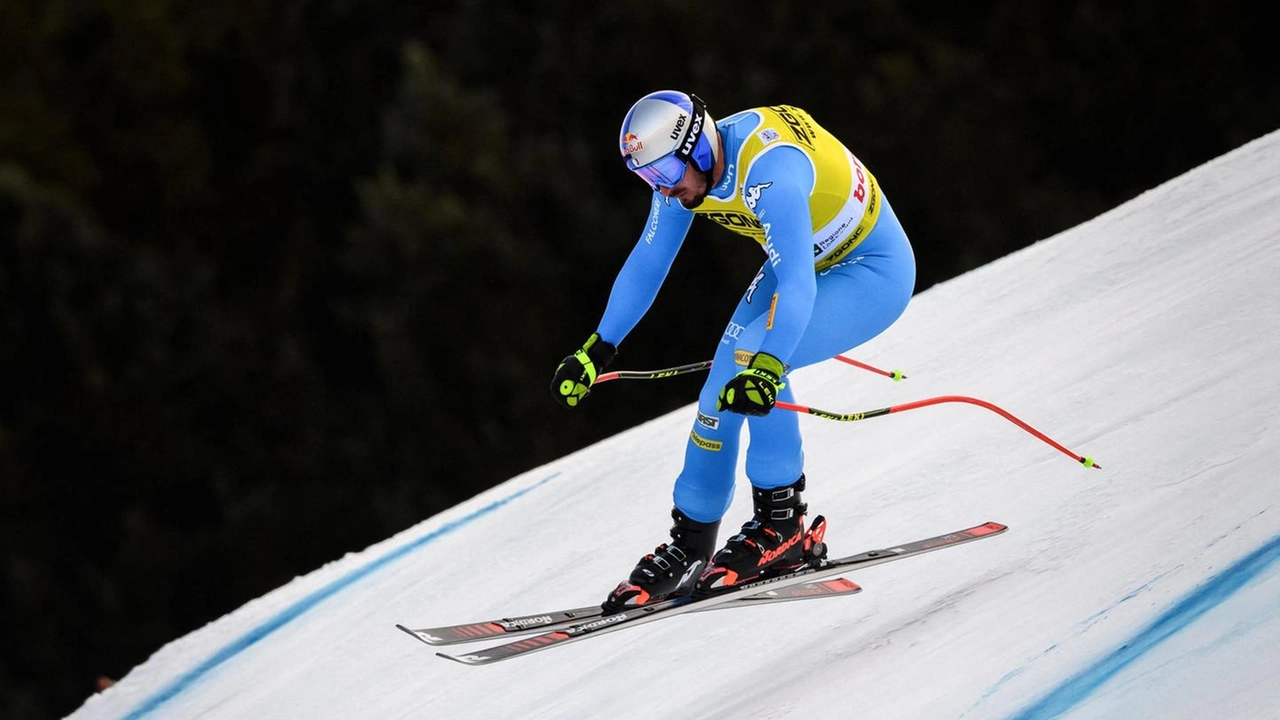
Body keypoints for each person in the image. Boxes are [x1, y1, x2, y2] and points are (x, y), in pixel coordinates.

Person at [551, 90, 916, 613]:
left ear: (697, 150)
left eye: (663, 176)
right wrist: (597, 348)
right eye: (649, 180)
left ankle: (782, 526)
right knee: (718, 390)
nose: (664, 191)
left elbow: (796, 286)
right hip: (806, 262)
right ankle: (692, 543)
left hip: (869, 271)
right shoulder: (683, 168)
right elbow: (649, 261)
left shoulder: (771, 169)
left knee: (752, 356)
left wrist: (769, 365)